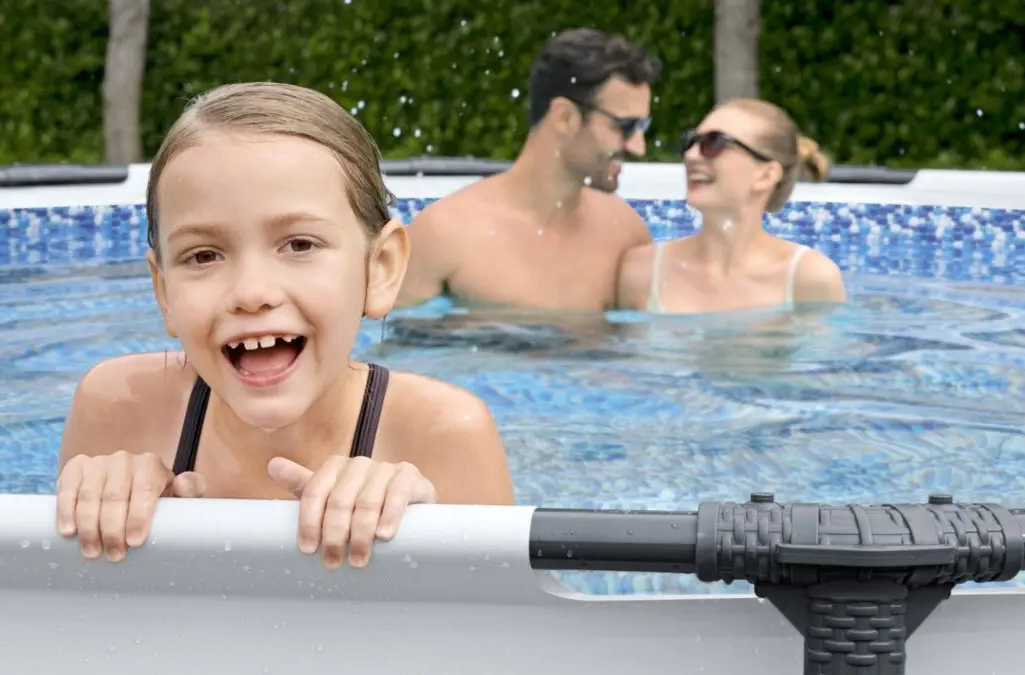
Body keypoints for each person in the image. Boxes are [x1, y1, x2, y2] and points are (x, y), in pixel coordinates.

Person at [55, 82, 515, 568]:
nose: (252, 293)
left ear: (380, 269)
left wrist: (420, 534)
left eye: (300, 245)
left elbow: (500, 615)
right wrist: (131, 545)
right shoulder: (120, 411)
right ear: (164, 290)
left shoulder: (442, 436)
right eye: (204, 255)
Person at [396, 28, 661, 312]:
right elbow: (388, 336)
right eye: (625, 127)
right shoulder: (445, 234)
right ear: (565, 118)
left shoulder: (625, 234)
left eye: (642, 127)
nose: (638, 147)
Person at [616, 98, 846, 314]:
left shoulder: (809, 279)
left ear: (766, 175)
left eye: (715, 143)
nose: (691, 155)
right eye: (691, 142)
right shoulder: (641, 271)